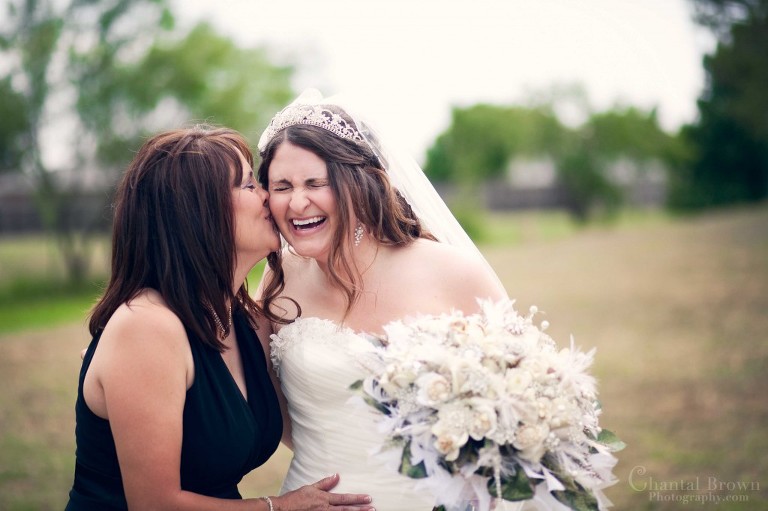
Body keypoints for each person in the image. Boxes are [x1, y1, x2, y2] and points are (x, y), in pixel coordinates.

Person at [65, 125, 376, 511]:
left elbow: (316, 413)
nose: (269, 197)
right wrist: (278, 507)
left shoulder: (248, 323)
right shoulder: (147, 326)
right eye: (249, 185)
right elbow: (154, 504)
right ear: (198, 212)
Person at [255, 91, 520, 510]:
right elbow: (277, 411)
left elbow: (522, 393)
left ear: (357, 184)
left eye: (315, 183)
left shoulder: (453, 271)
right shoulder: (277, 277)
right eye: (281, 186)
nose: (297, 202)